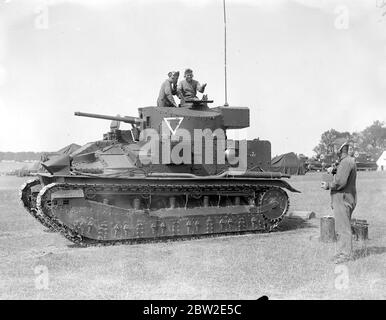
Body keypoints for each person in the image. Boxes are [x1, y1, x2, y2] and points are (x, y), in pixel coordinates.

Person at [321, 140, 357, 264]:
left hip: (343, 198)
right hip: (343, 198)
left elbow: (340, 183)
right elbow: (340, 175)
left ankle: (346, 255)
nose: (333, 150)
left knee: (343, 228)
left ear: (340, 148)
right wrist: (332, 171)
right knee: (340, 227)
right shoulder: (346, 162)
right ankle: (342, 252)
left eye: (334, 147)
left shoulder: (346, 162)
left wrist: (327, 185)